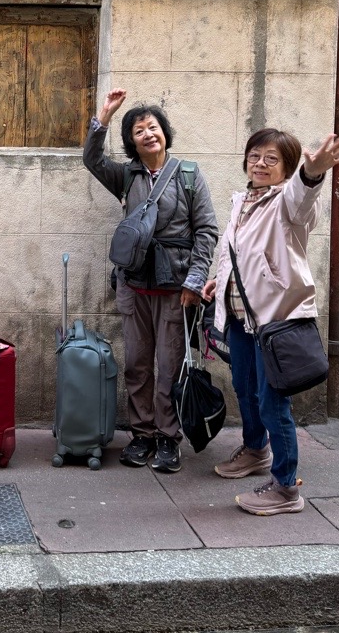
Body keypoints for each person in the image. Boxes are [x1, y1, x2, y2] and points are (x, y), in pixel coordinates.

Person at [202, 128, 339, 515]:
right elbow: (240, 252)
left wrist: (312, 173)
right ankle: (256, 450)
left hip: (275, 321)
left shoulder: (287, 202)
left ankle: (286, 488)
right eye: (255, 156)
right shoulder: (242, 201)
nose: (260, 163)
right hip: (242, 319)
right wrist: (222, 281)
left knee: (273, 404)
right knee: (244, 387)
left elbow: (303, 198)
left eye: (272, 158)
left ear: (286, 167)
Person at [83, 88, 219, 472]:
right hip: (134, 285)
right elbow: (92, 159)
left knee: (170, 365)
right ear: (132, 141)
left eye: (153, 127)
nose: (148, 134)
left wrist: (195, 281)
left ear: (164, 133)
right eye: (139, 130)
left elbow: (207, 231)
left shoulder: (188, 175)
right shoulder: (126, 176)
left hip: (175, 288)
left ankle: (167, 437)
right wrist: (104, 117)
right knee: (137, 365)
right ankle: (142, 434)